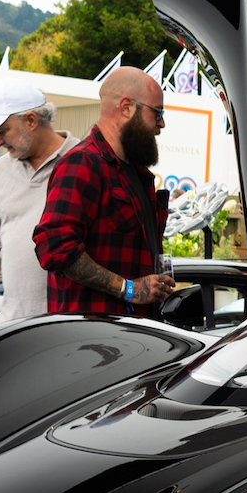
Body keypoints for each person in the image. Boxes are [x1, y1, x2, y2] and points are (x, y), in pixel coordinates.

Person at [34, 66, 174, 317]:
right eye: (157, 112)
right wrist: (129, 289)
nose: (161, 123)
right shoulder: (82, 163)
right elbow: (55, 248)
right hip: (92, 343)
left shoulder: (135, 173)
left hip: (131, 339)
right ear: (126, 107)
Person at [0, 78, 69, 338]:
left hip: (67, 331)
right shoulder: (1, 169)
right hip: (11, 330)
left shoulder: (81, 161)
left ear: (31, 120)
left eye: (2, 130)